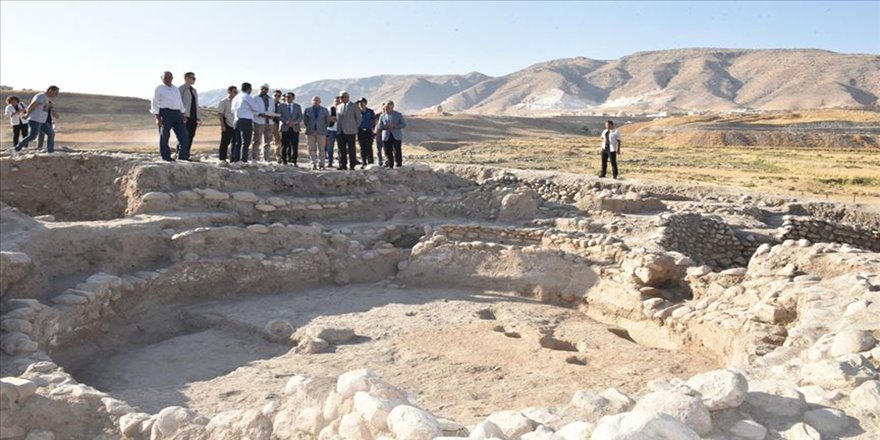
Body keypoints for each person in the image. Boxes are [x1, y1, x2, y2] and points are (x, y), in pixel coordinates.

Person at [148, 73, 189, 161]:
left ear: (172, 78)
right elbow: (154, 102)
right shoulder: (159, 88)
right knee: (165, 136)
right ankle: (166, 157)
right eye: (166, 77)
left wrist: (183, 114)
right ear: (161, 78)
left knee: (184, 135)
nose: (168, 79)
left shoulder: (175, 89)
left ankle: (183, 156)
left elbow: (179, 101)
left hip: (177, 114)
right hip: (165, 113)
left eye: (170, 77)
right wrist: (157, 117)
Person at [13, 85, 60, 156]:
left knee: (51, 133)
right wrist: (27, 115)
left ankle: (50, 151)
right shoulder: (41, 96)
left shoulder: (47, 99)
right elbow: (32, 105)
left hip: (43, 122)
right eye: (55, 92)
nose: (56, 95)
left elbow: (45, 110)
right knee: (32, 136)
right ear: (50, 91)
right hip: (34, 120)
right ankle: (16, 149)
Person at [230, 82, 268, 163]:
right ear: (248, 89)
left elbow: (232, 110)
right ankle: (243, 159)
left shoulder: (236, 97)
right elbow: (256, 108)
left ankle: (236, 159)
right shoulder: (247, 97)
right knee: (245, 141)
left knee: (237, 142)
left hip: (236, 120)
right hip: (245, 120)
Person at [335, 91, 361, 170]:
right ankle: (342, 165)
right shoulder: (339, 107)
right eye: (340, 97)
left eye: (342, 97)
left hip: (350, 131)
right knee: (341, 149)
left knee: (351, 148)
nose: (341, 99)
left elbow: (358, 118)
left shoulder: (354, 106)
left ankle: (352, 164)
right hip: (340, 131)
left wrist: (355, 127)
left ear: (347, 97)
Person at [303, 96, 330, 170]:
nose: (315, 101)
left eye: (317, 100)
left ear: (320, 101)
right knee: (311, 148)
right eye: (314, 100)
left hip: (321, 132)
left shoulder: (324, 110)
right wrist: (310, 127)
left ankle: (322, 164)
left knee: (322, 149)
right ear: (312, 101)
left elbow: (327, 121)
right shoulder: (307, 110)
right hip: (310, 131)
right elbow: (305, 121)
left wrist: (322, 127)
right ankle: (313, 163)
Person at [377, 100, 406, 168]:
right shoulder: (382, 116)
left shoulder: (398, 115)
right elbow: (379, 126)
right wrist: (386, 126)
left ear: (392, 107)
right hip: (386, 136)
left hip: (396, 135)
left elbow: (403, 124)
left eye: (388, 107)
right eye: (385, 107)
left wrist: (395, 126)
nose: (386, 109)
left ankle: (398, 163)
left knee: (397, 150)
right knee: (387, 151)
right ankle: (390, 164)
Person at [179, 72, 200, 155]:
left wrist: (198, 117)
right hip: (185, 116)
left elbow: (196, 104)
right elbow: (178, 102)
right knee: (184, 136)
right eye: (192, 78)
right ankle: (181, 153)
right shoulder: (181, 89)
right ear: (186, 78)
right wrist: (181, 115)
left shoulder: (194, 90)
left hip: (193, 117)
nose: (194, 80)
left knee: (191, 135)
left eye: (194, 78)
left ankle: (186, 153)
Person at [279, 92, 303, 166]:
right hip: (285, 127)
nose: (287, 98)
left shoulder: (297, 106)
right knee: (284, 145)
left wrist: (295, 122)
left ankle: (294, 161)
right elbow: (279, 115)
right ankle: (284, 160)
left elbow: (300, 117)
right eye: (286, 97)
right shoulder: (281, 106)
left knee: (294, 145)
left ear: (293, 98)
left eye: (289, 97)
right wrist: (285, 121)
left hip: (294, 128)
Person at [251, 84, 274, 162]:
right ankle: (254, 158)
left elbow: (273, 110)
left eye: (266, 89)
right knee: (257, 140)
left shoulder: (271, 99)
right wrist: (259, 114)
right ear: (260, 89)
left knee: (268, 141)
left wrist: (272, 115)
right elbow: (252, 110)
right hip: (258, 121)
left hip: (269, 122)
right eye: (263, 89)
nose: (264, 90)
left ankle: (266, 158)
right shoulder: (255, 98)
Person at [216, 85, 238, 162]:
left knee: (235, 142)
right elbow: (220, 114)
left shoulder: (237, 101)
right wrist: (222, 125)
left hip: (235, 124)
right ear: (229, 91)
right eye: (234, 92)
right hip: (227, 124)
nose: (236, 93)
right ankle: (222, 158)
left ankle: (233, 158)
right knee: (225, 142)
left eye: (236, 92)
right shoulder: (224, 101)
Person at [357, 98, 376, 169]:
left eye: (362, 102)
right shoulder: (357, 112)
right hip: (360, 131)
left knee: (369, 146)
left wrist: (373, 130)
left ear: (366, 103)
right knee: (362, 147)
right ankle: (363, 162)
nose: (361, 104)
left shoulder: (370, 111)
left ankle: (370, 162)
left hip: (368, 130)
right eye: (360, 103)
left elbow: (374, 121)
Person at [326, 95, 340, 167]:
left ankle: (341, 162)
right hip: (330, 130)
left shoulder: (342, 109)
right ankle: (330, 162)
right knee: (330, 147)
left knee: (340, 147)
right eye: (335, 101)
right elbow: (325, 119)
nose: (337, 103)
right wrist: (330, 119)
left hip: (340, 130)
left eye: (338, 101)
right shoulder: (330, 109)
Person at [271, 89, 283, 160]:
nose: (277, 97)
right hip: (268, 123)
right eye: (275, 95)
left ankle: (278, 156)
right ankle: (264, 156)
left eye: (278, 96)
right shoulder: (269, 103)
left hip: (277, 124)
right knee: (266, 140)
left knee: (278, 141)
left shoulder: (280, 105)